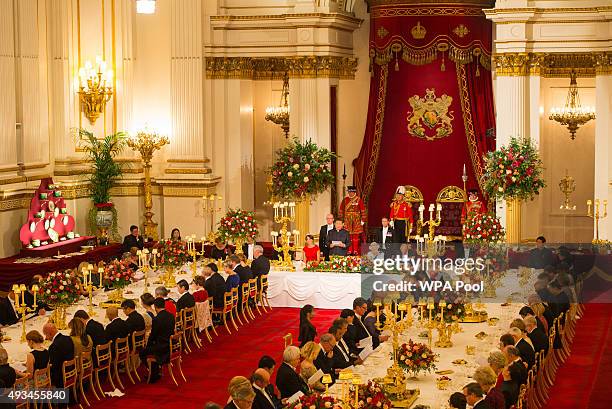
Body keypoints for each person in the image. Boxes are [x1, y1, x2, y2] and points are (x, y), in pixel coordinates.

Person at [140, 297, 175, 383]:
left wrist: (147, 346)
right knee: (149, 349)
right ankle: (155, 372)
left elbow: (153, 336)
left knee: (142, 352)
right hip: (169, 344)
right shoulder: (171, 316)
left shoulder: (157, 319)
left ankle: (153, 373)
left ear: (155, 307)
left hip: (161, 347)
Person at [43, 322, 75, 387]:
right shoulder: (68, 338)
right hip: (71, 371)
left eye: (46, 335)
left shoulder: (54, 346)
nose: (46, 338)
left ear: (50, 334)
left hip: (60, 378)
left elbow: (53, 366)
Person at [338, 186, 367, 255]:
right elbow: (341, 210)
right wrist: (341, 221)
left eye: (352, 192)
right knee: (349, 235)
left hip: (356, 220)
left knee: (356, 235)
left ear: (354, 192)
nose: (350, 193)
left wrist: (363, 220)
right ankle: (350, 249)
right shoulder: (345, 200)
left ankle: (355, 250)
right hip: (347, 220)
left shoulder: (359, 200)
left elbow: (363, 210)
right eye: (349, 192)